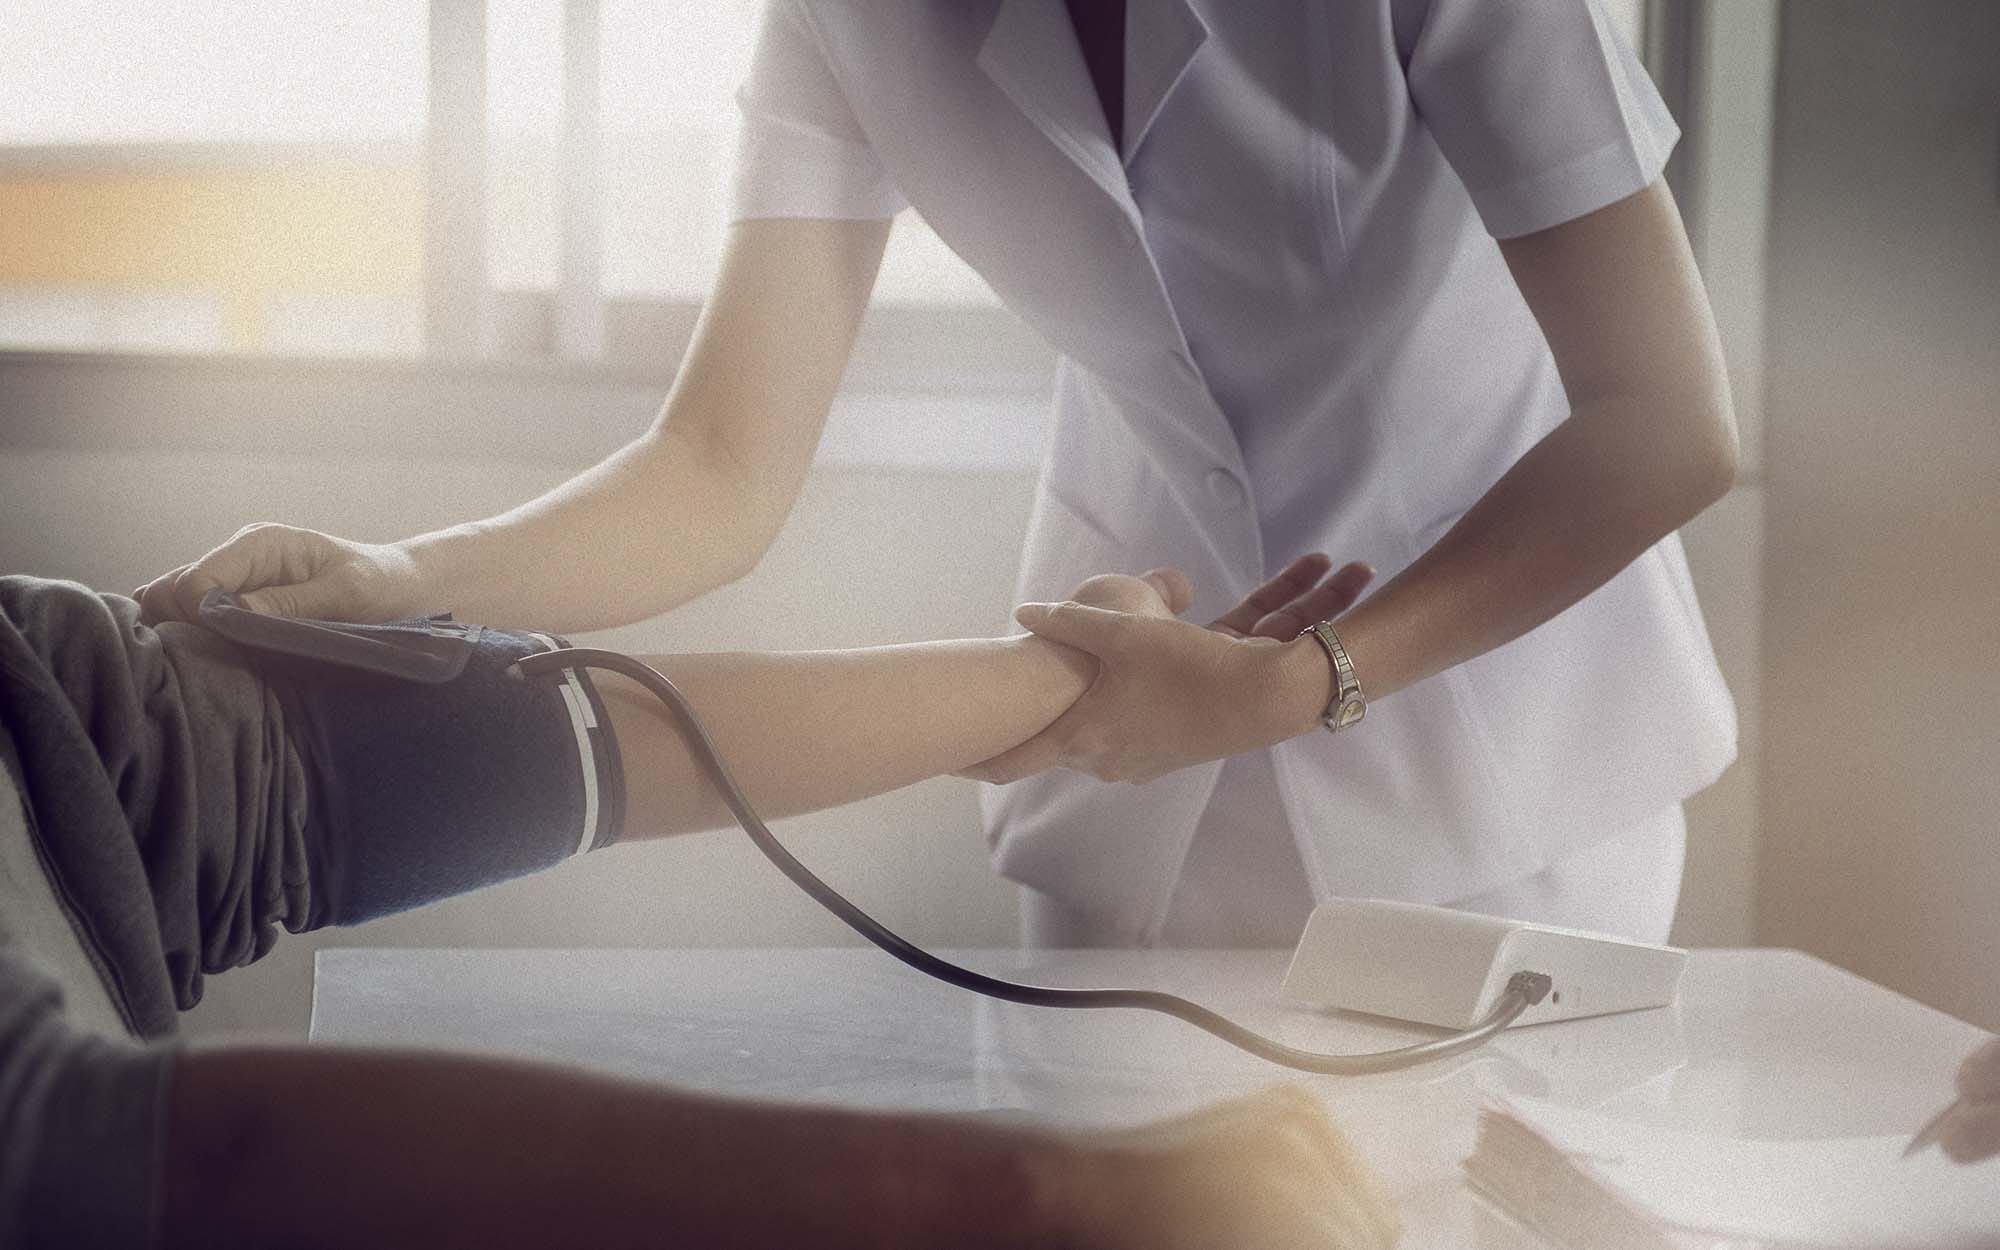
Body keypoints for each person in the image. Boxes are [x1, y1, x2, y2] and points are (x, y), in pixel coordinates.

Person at [140, 0, 1740, 951]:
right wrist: (408, 582)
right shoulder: (846, 19)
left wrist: (1297, 682)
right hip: (1139, 795)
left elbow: (1669, 419)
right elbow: (718, 463)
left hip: (1504, 781)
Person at [0, 566, 1402, 1248]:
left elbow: (412, 765)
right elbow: (95, 1152)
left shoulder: (44, 684)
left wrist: (1073, 680)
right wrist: (1044, 1197)